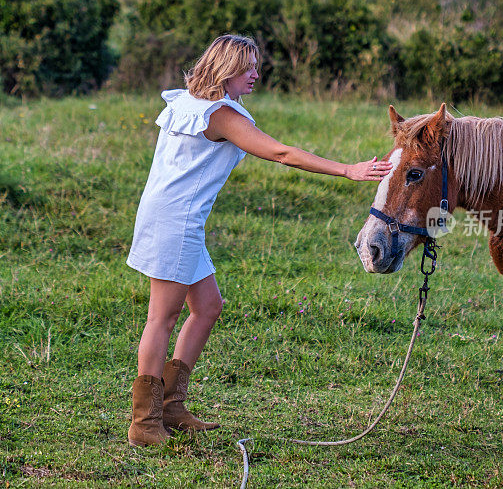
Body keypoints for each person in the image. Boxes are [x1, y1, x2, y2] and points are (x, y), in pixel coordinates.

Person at [125, 34, 393, 446]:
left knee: (209, 307)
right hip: (174, 221)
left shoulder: (188, 103)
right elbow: (281, 153)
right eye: (247, 66)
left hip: (174, 217)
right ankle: (145, 423)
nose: (255, 73)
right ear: (225, 68)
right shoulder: (220, 114)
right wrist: (346, 170)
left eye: (256, 65)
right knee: (161, 318)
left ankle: (173, 406)